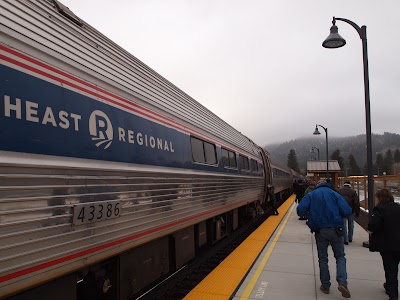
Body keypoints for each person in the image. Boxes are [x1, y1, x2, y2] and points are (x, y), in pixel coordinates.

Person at [297, 179, 352, 298]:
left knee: (323, 258)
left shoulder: (312, 194)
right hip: (337, 230)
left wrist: (309, 215)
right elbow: (347, 211)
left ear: (318, 185)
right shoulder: (335, 194)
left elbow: (300, 210)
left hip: (320, 230)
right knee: (340, 257)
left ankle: (325, 286)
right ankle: (342, 283)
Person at [368, 188, 400, 300]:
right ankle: (390, 285)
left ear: (380, 198)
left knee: (390, 268)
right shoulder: (398, 208)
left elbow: (373, 225)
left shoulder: (380, 209)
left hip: (387, 244)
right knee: (395, 266)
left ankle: (393, 293)